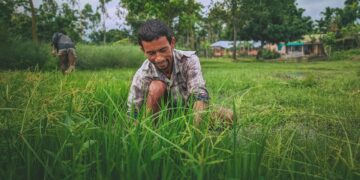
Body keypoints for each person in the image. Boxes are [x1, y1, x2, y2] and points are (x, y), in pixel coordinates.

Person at [127, 19, 232, 126]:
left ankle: (191, 127)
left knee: (229, 117)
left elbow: (199, 94)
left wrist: (195, 132)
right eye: (151, 53)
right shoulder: (142, 74)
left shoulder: (188, 60)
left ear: (172, 43)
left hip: (190, 112)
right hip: (160, 119)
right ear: (143, 51)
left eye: (163, 50)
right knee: (157, 87)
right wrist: (139, 131)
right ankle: (155, 131)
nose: (159, 58)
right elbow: (133, 111)